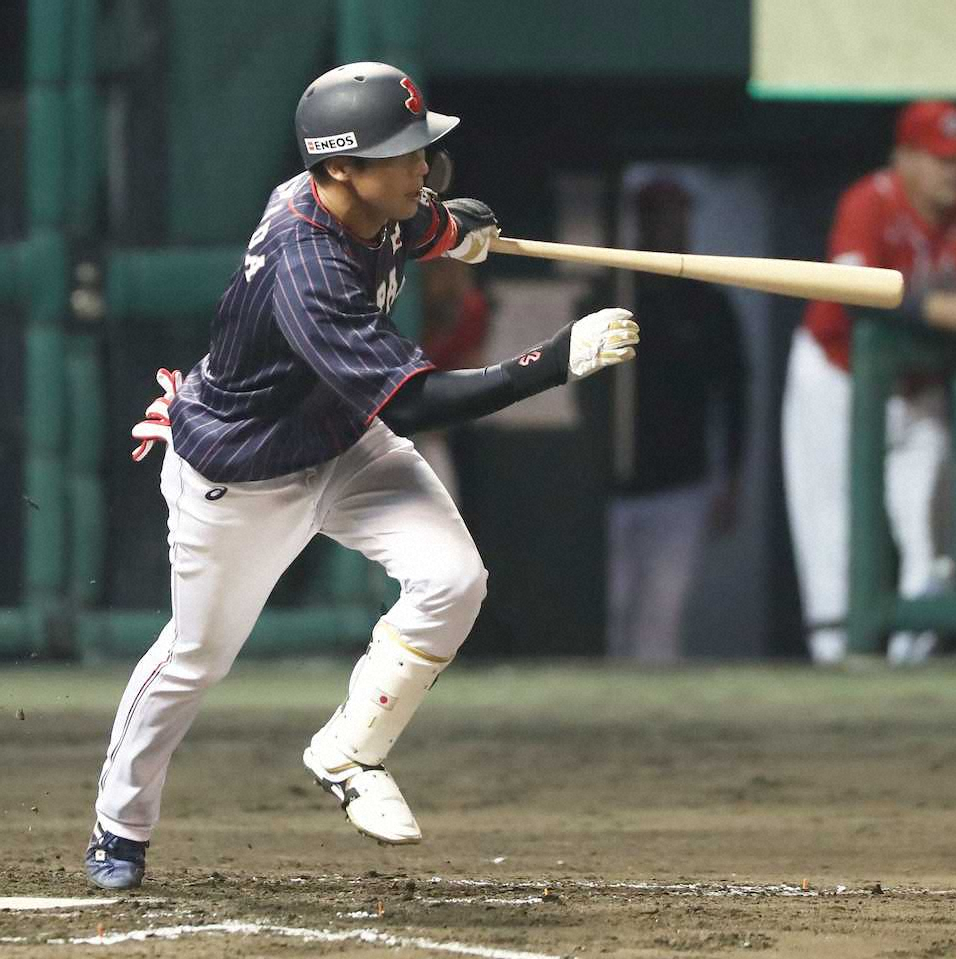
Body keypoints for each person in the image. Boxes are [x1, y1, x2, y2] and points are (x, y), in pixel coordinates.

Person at [84, 61, 639, 889]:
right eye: (402, 153)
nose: (421, 165)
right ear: (340, 167)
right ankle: (119, 827)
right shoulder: (305, 264)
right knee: (196, 656)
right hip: (243, 475)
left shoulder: (365, 201)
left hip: (342, 442)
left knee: (453, 580)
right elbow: (412, 401)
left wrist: (451, 228)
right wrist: (549, 362)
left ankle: (349, 750)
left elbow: (411, 222)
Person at [782, 100, 956, 666]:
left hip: (920, 388)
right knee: (832, 523)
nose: (954, 172)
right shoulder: (869, 201)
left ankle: (913, 660)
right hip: (837, 379)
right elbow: (857, 294)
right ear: (904, 157)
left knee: (932, 526)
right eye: (940, 159)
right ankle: (835, 655)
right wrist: (951, 311)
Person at [607, 179, 746, 663]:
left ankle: (651, 712)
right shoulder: (613, 291)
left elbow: (735, 394)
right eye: (657, 215)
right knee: (607, 613)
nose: (668, 226)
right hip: (608, 486)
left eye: (676, 215)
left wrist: (731, 478)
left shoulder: (707, 304)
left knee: (660, 621)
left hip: (681, 483)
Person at [414, 257, 492, 503]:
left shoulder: (471, 308)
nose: (449, 279)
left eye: (457, 269)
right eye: (440, 268)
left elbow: (472, 380)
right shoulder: (406, 303)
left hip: (428, 429)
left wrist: (436, 420)